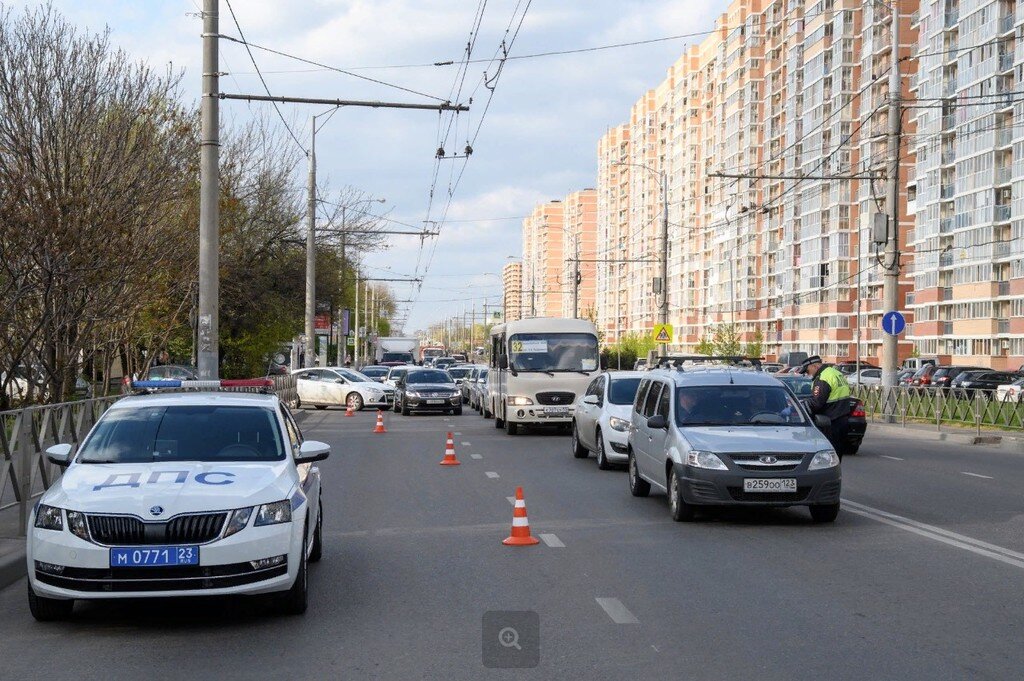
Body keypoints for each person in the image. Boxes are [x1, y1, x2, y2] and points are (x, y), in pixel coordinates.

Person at [801, 355, 852, 455]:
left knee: (828, 455)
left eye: (807, 371)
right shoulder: (836, 373)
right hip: (843, 419)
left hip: (829, 422)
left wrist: (802, 405)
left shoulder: (823, 378)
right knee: (837, 453)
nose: (808, 374)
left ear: (814, 366)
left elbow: (817, 403)